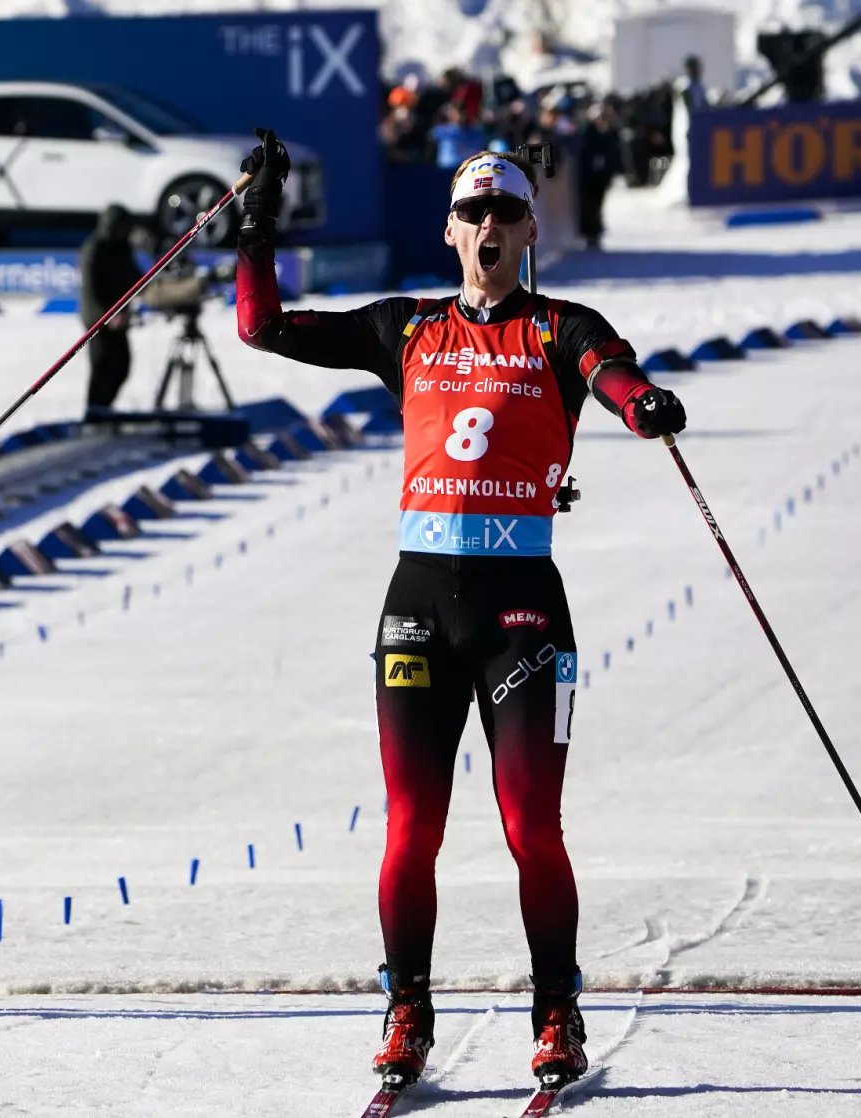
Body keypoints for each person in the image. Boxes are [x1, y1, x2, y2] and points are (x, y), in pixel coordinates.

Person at [233, 132, 686, 1093]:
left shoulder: (559, 326)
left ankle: (556, 1006)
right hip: (418, 607)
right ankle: (407, 1008)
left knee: (531, 827)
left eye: (505, 212)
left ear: (528, 231)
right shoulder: (406, 328)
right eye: (472, 212)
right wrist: (254, 230)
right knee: (411, 830)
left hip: (522, 611)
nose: (488, 226)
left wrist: (642, 403)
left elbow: (613, 376)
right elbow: (261, 329)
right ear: (448, 228)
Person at [79, 204, 145, 414]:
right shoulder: (94, 249)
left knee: (122, 366)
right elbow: (91, 289)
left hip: (120, 318)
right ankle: (94, 413)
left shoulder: (123, 248)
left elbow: (137, 278)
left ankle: (105, 409)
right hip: (98, 320)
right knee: (101, 368)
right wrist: (106, 316)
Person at [577, 103, 624, 250]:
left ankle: (595, 233)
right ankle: (589, 233)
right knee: (588, 205)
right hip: (587, 176)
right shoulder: (587, 132)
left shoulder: (610, 132)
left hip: (601, 177)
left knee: (597, 205)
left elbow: (614, 151)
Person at [428, 102, 488, 170]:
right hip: (445, 170)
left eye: (463, 112)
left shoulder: (476, 132)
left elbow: (480, 150)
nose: (461, 116)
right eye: (457, 112)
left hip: (468, 170)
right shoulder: (441, 130)